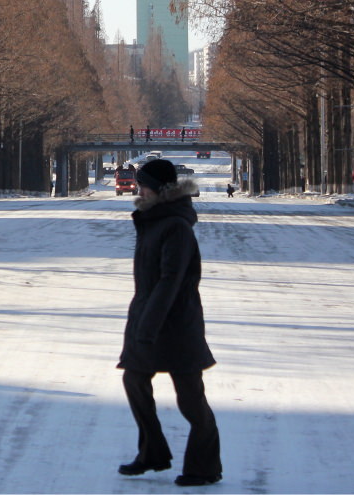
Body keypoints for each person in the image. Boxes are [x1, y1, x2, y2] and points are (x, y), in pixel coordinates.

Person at [117, 159, 222, 487]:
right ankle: (152, 453)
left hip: (177, 324)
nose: (138, 188)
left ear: (160, 189)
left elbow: (171, 280)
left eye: (143, 184)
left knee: (190, 397)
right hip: (149, 315)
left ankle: (205, 467)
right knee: (135, 380)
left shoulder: (174, 225)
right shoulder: (154, 219)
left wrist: (148, 325)